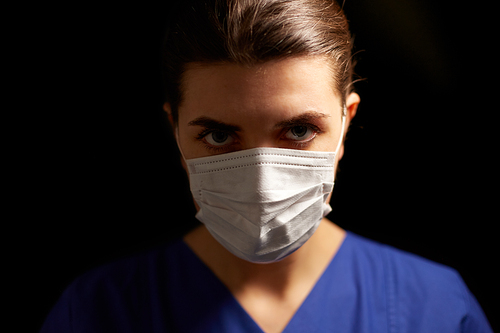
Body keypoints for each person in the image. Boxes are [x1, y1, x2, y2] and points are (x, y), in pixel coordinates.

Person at [40, 0, 493, 332]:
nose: (262, 182)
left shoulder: (434, 309)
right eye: (219, 136)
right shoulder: (97, 312)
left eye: (298, 131)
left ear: (346, 123)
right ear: (175, 130)